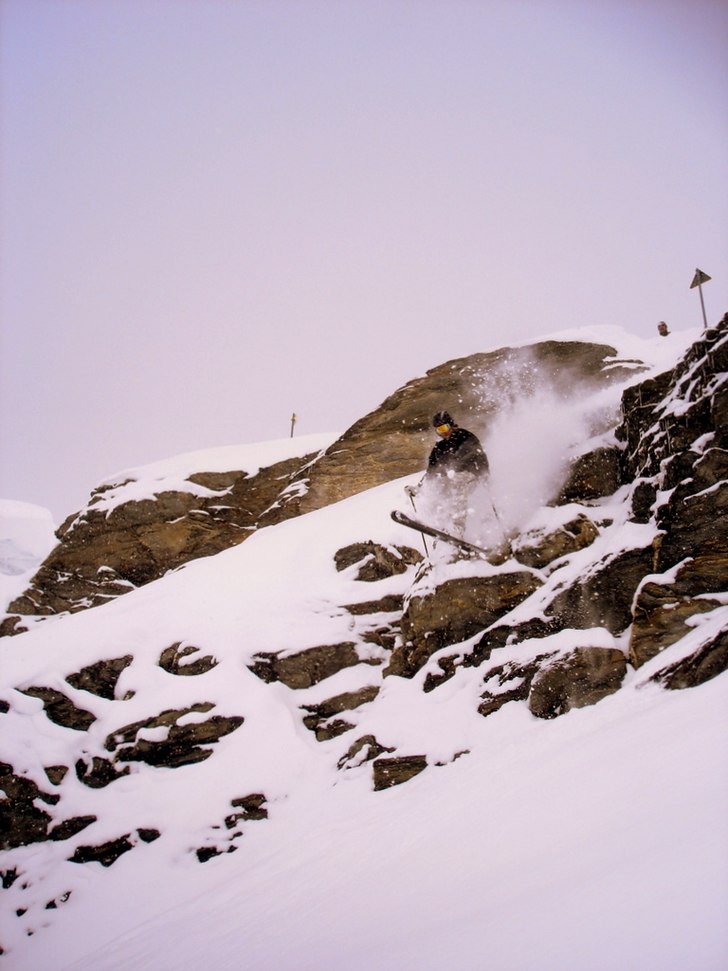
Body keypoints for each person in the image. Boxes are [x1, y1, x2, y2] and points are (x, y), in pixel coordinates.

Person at [405, 411, 489, 537]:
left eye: (444, 428)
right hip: (453, 476)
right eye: (439, 430)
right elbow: (432, 471)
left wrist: (455, 469)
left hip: (475, 473)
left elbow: (473, 456)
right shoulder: (440, 447)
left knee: (457, 482)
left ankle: (458, 529)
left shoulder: (464, 436)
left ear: (451, 425)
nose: (443, 432)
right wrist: (420, 487)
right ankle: (440, 525)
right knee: (438, 485)